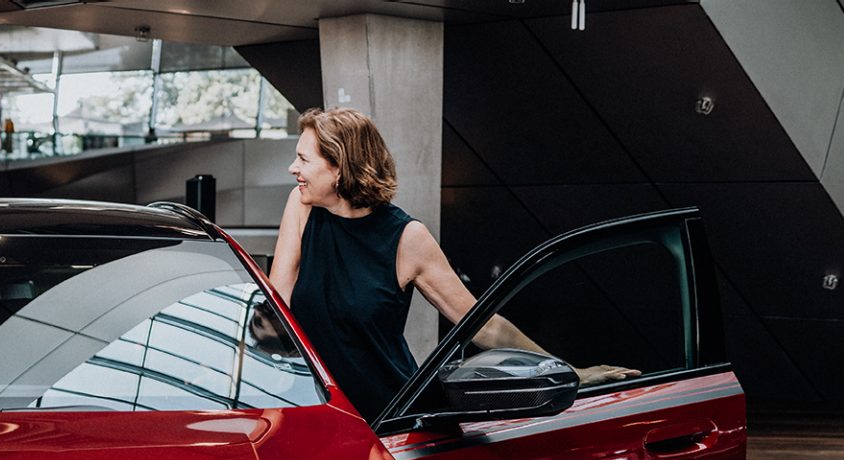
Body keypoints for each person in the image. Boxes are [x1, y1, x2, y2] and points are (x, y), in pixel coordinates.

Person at [268, 107, 636, 411]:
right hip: (315, 411)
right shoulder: (301, 208)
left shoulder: (407, 238)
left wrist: (569, 371)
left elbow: (483, 325)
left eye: (302, 158)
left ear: (339, 168)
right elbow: (275, 305)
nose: (292, 168)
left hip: (388, 420)